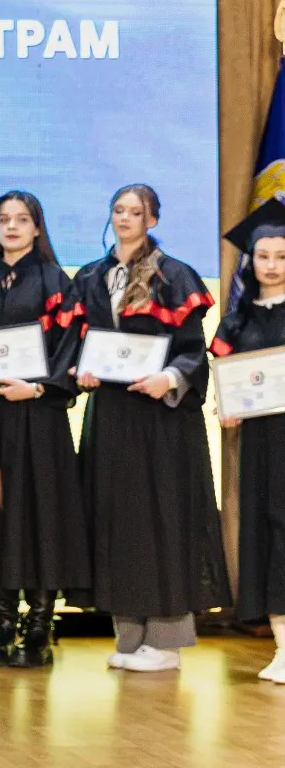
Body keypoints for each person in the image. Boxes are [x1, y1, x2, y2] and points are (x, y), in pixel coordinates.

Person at [70, 183, 230, 672]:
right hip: (112, 416)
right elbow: (78, 343)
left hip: (162, 420)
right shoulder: (91, 277)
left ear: (152, 220)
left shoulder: (174, 275)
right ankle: (129, 637)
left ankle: (165, 641)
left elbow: (191, 349)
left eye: (135, 212)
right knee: (117, 519)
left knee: (164, 520)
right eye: (118, 210)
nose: (124, 218)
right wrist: (81, 371)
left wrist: (170, 379)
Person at [0, 191, 91, 668]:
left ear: (37, 227)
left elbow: (71, 347)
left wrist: (41, 387)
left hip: (38, 415)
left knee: (42, 512)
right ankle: (1, 625)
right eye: (4, 219)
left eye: (21, 219)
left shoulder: (55, 282)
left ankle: (40, 628)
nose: (11, 227)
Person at [212, 198, 285, 683]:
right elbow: (226, 375)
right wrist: (227, 404)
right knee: (264, 533)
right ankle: (282, 645)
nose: (272, 265)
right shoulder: (236, 321)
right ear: (251, 260)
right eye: (263, 256)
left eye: (281, 256)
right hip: (259, 443)